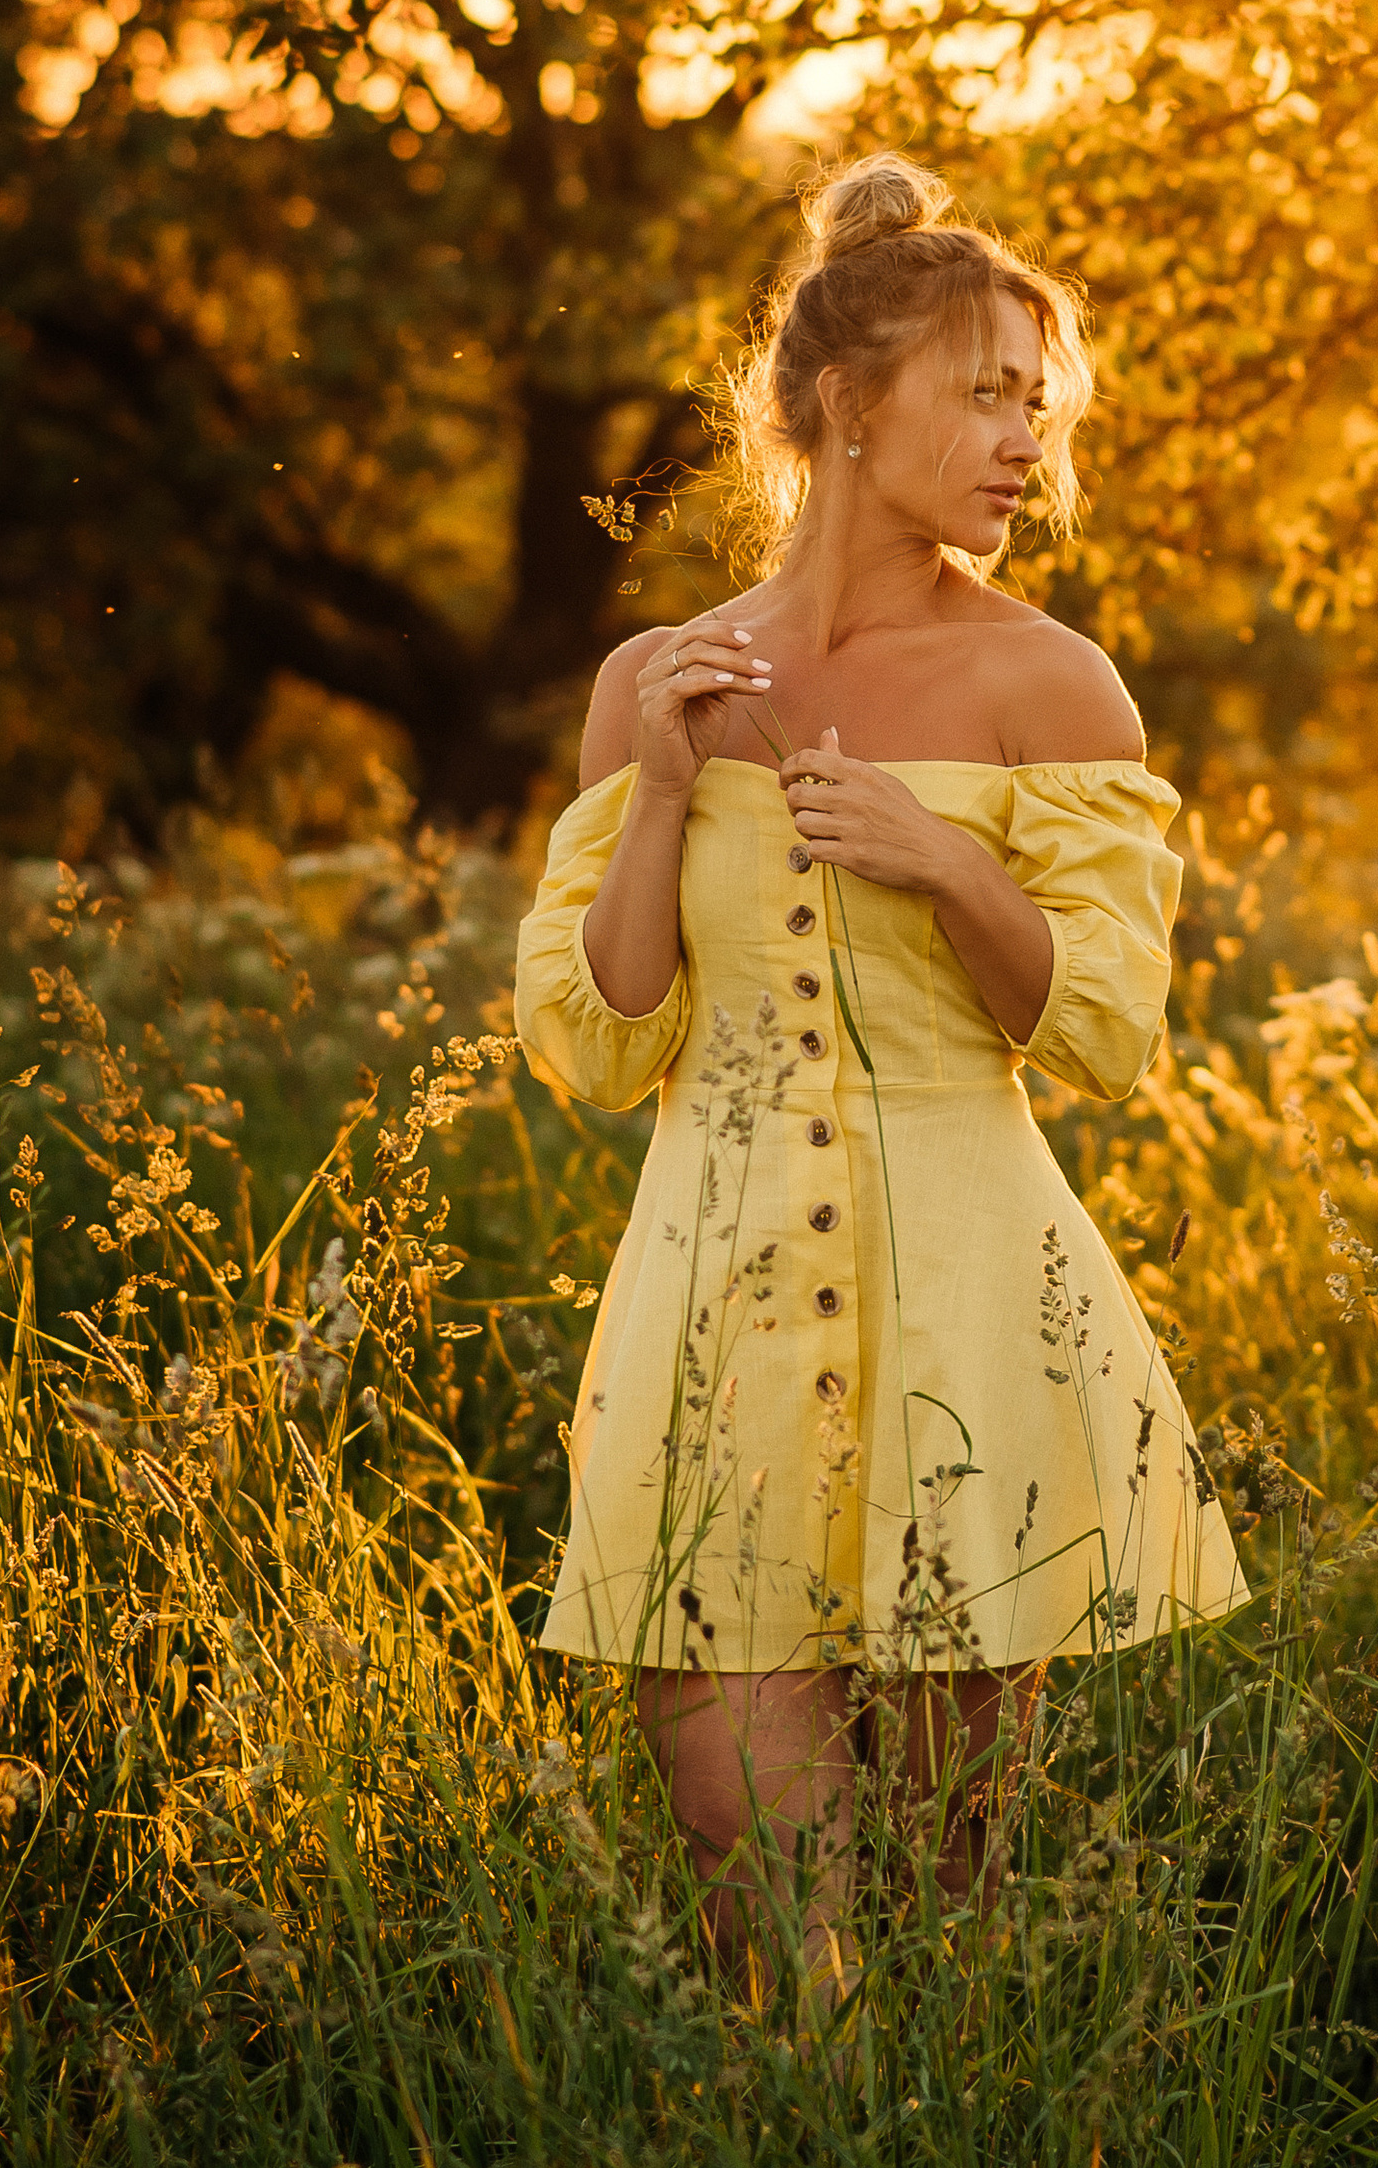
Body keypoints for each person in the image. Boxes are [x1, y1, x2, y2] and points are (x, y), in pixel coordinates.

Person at [512, 152, 1246, 1993]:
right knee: (759, 1896)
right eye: (983, 394)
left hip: (973, 1312)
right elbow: (605, 1038)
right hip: (711, 1302)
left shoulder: (1052, 688)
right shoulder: (655, 680)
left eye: (1037, 403)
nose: (1025, 442)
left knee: (949, 1893)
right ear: (848, 404)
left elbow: (1096, 1032)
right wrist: (671, 795)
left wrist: (956, 866)